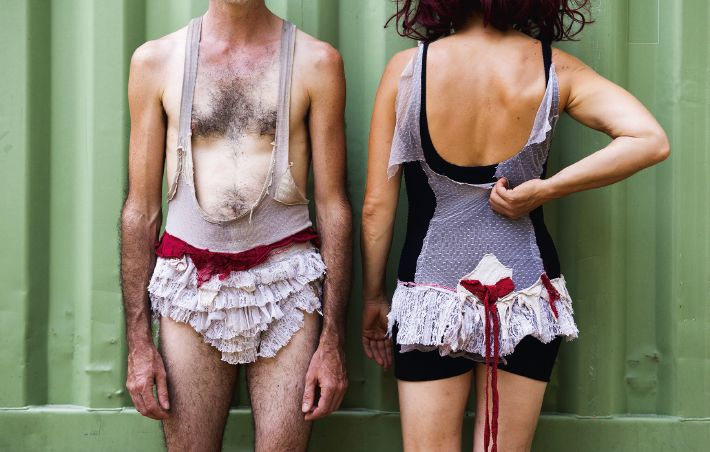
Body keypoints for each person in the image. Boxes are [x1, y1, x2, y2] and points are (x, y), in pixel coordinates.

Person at [361, 1, 669, 451]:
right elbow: (649, 139)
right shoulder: (555, 68)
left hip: (429, 298)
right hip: (525, 294)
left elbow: (376, 207)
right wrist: (544, 189)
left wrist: (373, 296)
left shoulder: (407, 70)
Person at [120, 0, 351, 450]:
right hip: (189, 286)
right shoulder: (156, 61)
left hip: (286, 283)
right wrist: (138, 343)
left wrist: (333, 341)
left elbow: (333, 207)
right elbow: (141, 210)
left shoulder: (316, 61)